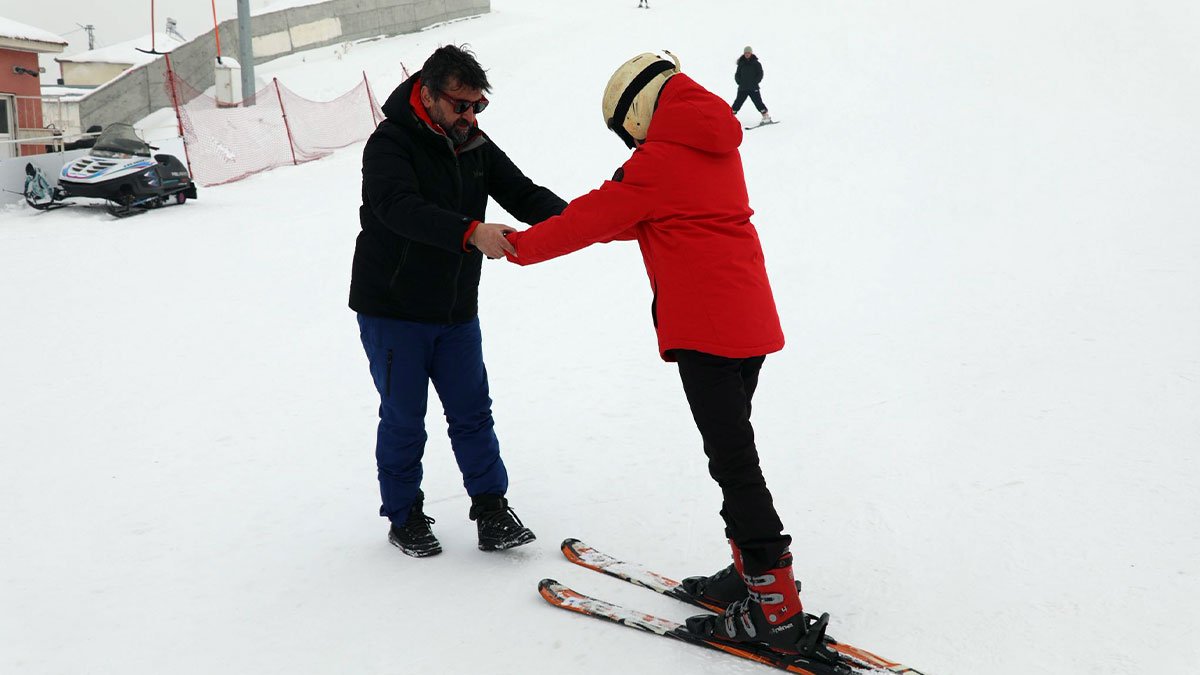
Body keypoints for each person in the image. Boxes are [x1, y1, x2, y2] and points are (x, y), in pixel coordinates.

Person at [501, 53, 833, 660]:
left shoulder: (658, 161)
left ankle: (775, 608)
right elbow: (635, 217)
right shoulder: (714, 144)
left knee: (734, 461)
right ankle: (748, 575)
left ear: (639, 109)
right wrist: (574, 214)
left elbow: (610, 212)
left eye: (627, 130)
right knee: (732, 450)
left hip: (707, 330)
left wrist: (517, 246)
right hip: (749, 320)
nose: (631, 141)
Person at [350, 44, 567, 558]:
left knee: (472, 412)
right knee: (404, 417)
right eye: (461, 105)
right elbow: (398, 208)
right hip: (394, 310)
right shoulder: (389, 144)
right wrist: (471, 233)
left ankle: (492, 510)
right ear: (428, 93)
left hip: (454, 310)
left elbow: (525, 193)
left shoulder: (474, 145)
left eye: (478, 106)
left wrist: (588, 222)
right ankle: (404, 516)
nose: (470, 116)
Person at [732, 45, 771, 124]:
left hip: (753, 87)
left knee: (758, 102)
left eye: (748, 53)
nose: (747, 54)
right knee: (737, 102)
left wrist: (755, 81)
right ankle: (730, 117)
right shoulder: (741, 63)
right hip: (742, 88)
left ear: (751, 53)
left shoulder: (756, 63)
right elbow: (737, 74)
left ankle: (766, 116)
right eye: (746, 53)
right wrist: (739, 82)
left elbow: (760, 74)